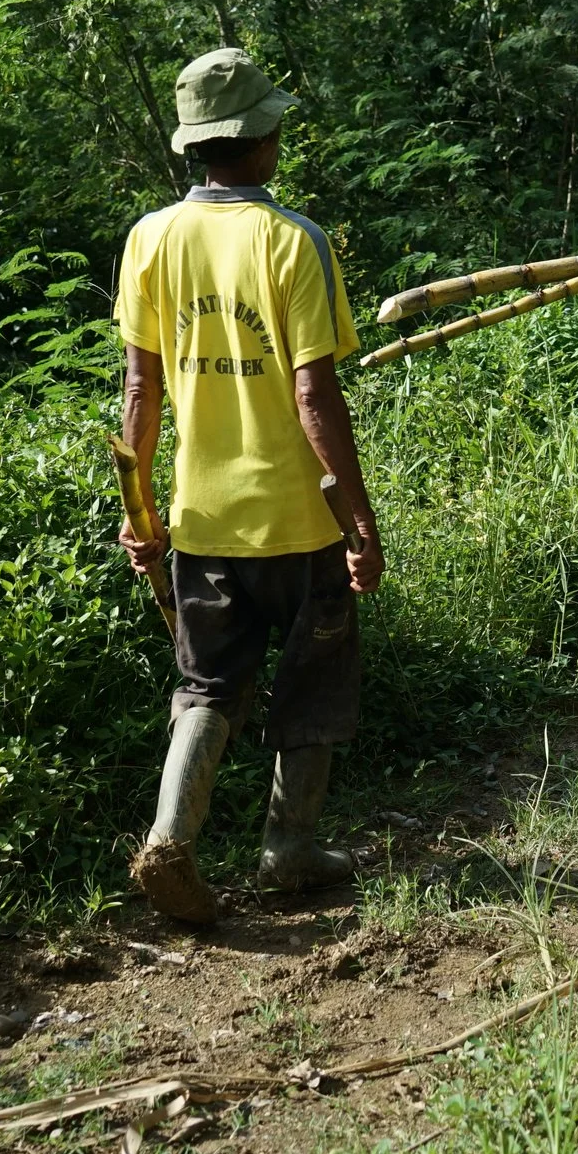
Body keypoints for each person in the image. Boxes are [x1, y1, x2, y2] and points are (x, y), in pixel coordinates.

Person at [113, 48, 385, 922]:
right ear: (259, 137)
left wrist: (145, 513)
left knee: (206, 684)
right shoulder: (293, 240)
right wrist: (358, 518)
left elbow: (140, 389)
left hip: (202, 517)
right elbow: (313, 393)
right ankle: (289, 848)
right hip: (298, 520)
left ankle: (169, 840)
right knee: (313, 681)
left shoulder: (150, 239)